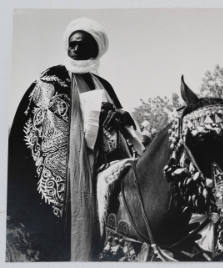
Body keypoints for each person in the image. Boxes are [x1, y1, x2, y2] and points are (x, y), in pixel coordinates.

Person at [7, 17, 143, 261]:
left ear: (96, 50)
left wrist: (118, 118)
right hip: (60, 179)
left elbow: (123, 133)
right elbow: (29, 128)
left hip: (94, 176)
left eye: (83, 45)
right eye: (72, 45)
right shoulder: (51, 80)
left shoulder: (103, 86)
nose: (76, 50)